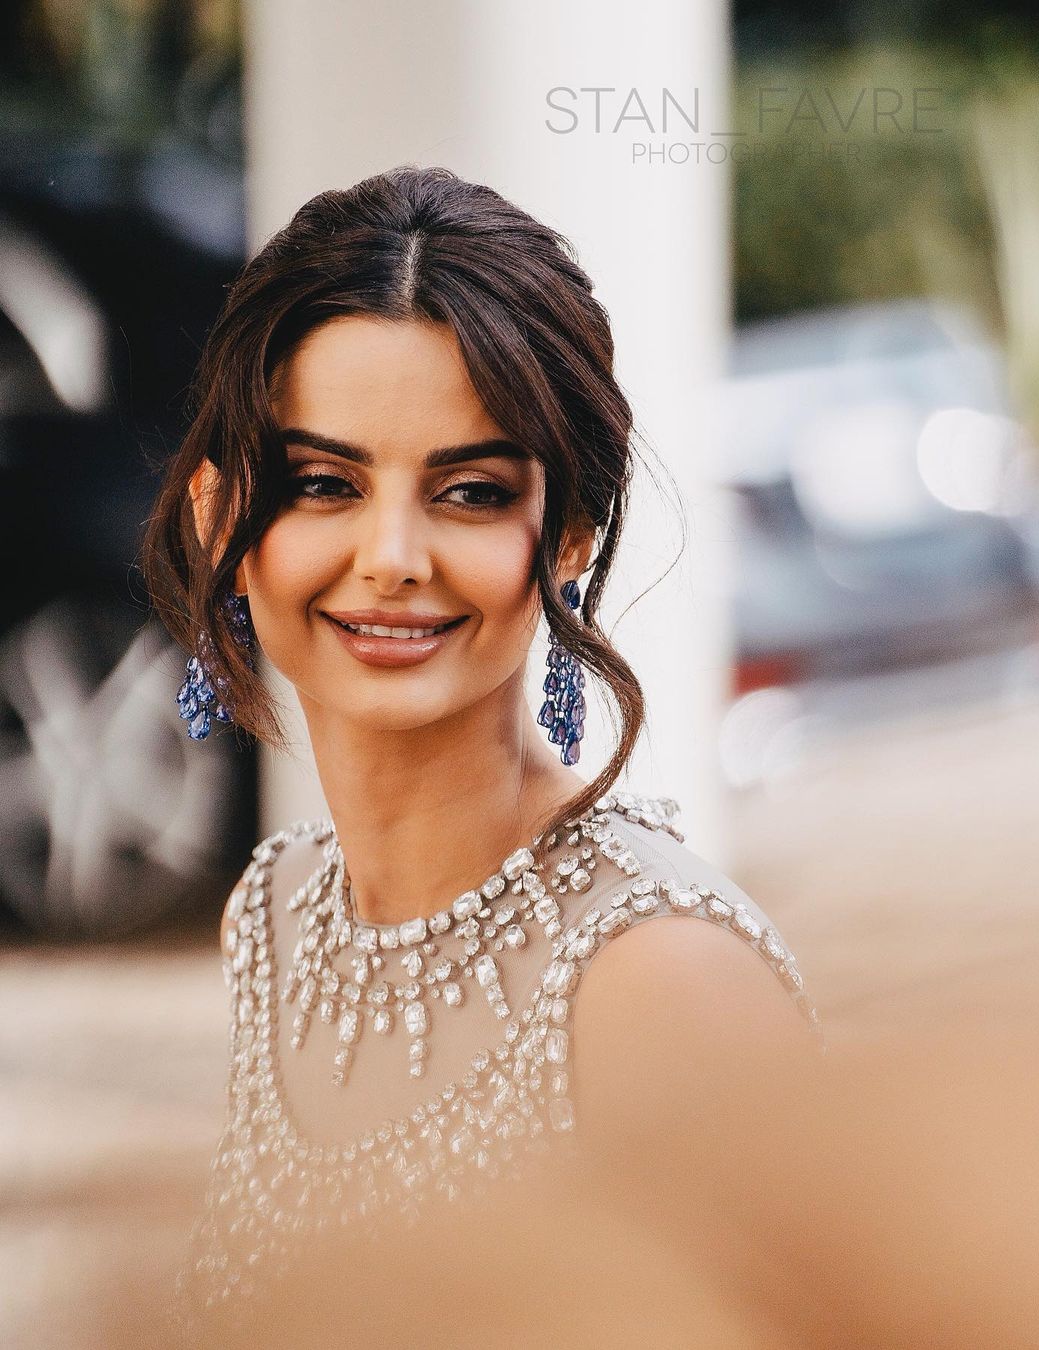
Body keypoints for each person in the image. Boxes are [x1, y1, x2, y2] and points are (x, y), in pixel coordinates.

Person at [139, 164, 821, 1341]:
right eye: (322, 483)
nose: (393, 555)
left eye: (466, 490)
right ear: (220, 522)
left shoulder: (661, 983)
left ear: (563, 539)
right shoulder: (276, 915)